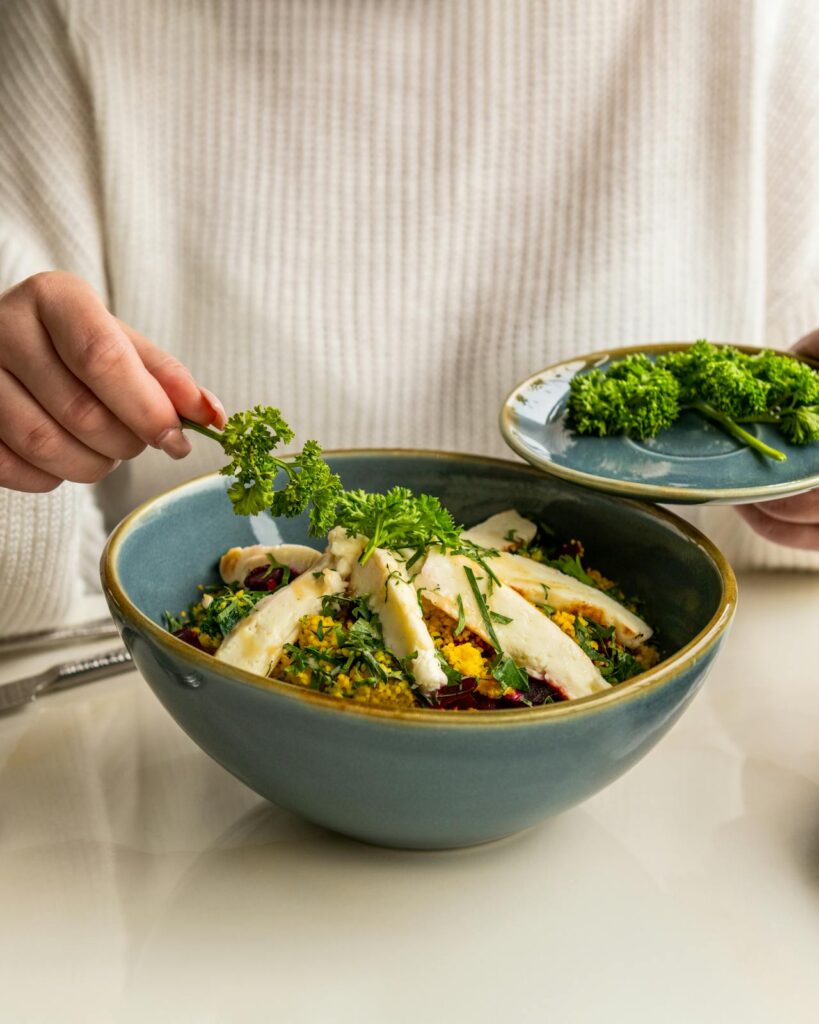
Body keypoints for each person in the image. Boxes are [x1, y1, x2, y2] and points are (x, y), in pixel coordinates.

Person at [1, 0, 818, 636]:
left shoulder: (765, 23)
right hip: (179, 755)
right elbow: (26, 610)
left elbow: (767, 535)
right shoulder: (68, 25)